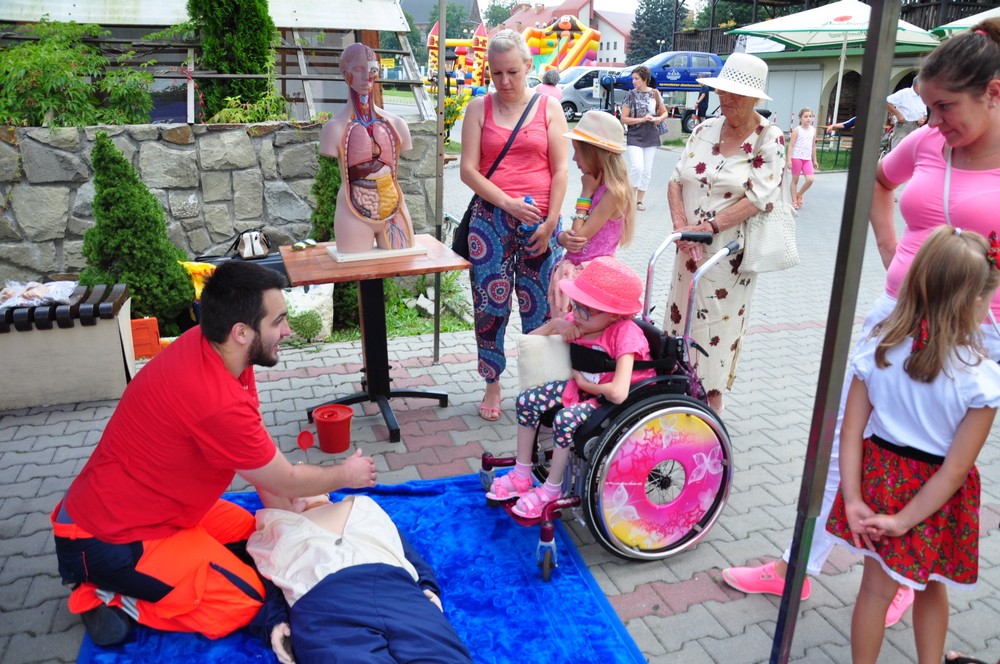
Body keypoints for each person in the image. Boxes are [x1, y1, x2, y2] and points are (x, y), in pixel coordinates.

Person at [722, 19, 1000, 629]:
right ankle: (801, 565)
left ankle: (906, 570)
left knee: (933, 460)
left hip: (977, 335)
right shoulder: (930, 143)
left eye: (945, 107)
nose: (934, 123)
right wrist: (890, 250)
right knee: (845, 439)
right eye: (927, 108)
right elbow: (878, 182)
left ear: (994, 93)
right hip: (898, 315)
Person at [51, 261, 378, 646]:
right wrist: (345, 474)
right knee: (244, 600)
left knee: (259, 532)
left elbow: (261, 462)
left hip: (161, 509)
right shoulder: (214, 398)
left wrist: (290, 518)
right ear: (242, 332)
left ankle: (148, 579)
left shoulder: (224, 351)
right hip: (107, 538)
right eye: (279, 321)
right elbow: (284, 478)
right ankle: (107, 595)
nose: (287, 330)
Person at [825, 227, 1000, 664]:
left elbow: (851, 430)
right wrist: (905, 521)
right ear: (975, 303)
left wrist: (852, 498)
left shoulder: (878, 348)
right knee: (932, 583)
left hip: (879, 478)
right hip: (934, 498)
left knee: (873, 590)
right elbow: (956, 469)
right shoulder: (980, 377)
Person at [484, 257, 656, 517]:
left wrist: (586, 384)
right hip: (583, 389)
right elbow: (528, 343)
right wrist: (555, 325)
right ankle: (521, 475)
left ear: (614, 314)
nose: (576, 313)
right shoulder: (581, 320)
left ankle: (552, 490)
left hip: (613, 399)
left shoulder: (625, 333)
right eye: (576, 305)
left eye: (586, 310)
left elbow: (619, 392)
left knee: (565, 419)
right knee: (527, 401)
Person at [663, 52, 783, 414]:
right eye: (722, 92)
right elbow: (674, 180)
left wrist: (708, 229)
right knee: (679, 316)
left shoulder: (768, 137)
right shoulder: (703, 129)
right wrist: (683, 230)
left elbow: (760, 198)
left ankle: (711, 404)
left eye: (736, 95)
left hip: (726, 256)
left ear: (756, 98)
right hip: (687, 248)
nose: (725, 99)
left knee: (714, 327)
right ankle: (675, 390)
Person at [459, 29, 569, 422]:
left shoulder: (548, 109)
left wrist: (551, 219)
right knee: (490, 305)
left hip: (540, 222)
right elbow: (467, 171)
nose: (504, 82)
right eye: (496, 73)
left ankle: (540, 384)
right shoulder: (478, 109)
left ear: (529, 68)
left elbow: (560, 170)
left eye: (512, 72)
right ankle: (492, 381)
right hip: (490, 222)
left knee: (540, 307)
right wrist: (506, 202)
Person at [248, 494, 472, 664]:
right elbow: (269, 587)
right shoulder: (273, 529)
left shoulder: (363, 506)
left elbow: (405, 550)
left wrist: (426, 585)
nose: (302, 490)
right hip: (326, 605)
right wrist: (276, 624)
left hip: (396, 590)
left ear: (326, 491)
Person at [319, 42, 414, 253]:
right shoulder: (334, 129)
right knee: (358, 269)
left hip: (394, 212)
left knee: (402, 262)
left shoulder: (396, 125)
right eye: (359, 70)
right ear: (346, 74)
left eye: (372, 70)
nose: (366, 78)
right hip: (353, 214)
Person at [548, 110, 635, 316]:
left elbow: (579, 239)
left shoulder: (613, 192)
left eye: (578, 150)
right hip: (580, 276)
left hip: (591, 279)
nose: (574, 158)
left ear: (594, 153)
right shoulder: (600, 185)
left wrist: (585, 192)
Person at [621, 65, 667, 211]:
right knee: (637, 167)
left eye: (637, 79)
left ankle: (639, 201)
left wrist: (659, 118)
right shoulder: (630, 95)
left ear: (645, 79)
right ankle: (630, 197)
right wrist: (641, 119)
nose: (634, 81)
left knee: (647, 170)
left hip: (651, 135)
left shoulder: (655, 93)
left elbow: (664, 112)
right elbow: (624, 119)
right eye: (633, 78)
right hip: (635, 135)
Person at [788, 107, 819, 209]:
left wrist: (815, 160)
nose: (808, 118)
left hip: (807, 159)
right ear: (800, 118)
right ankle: (794, 201)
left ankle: (799, 194)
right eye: (806, 116)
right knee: (795, 180)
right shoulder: (797, 130)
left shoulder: (813, 131)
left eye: (810, 116)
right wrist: (789, 160)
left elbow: (813, 146)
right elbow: (791, 145)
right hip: (796, 157)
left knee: (810, 179)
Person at [886, 76, 927, 150]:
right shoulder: (904, 93)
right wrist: (898, 115)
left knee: (912, 152)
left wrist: (923, 119)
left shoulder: (923, 96)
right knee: (898, 150)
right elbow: (887, 102)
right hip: (903, 125)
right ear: (918, 85)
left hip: (916, 126)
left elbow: (925, 114)